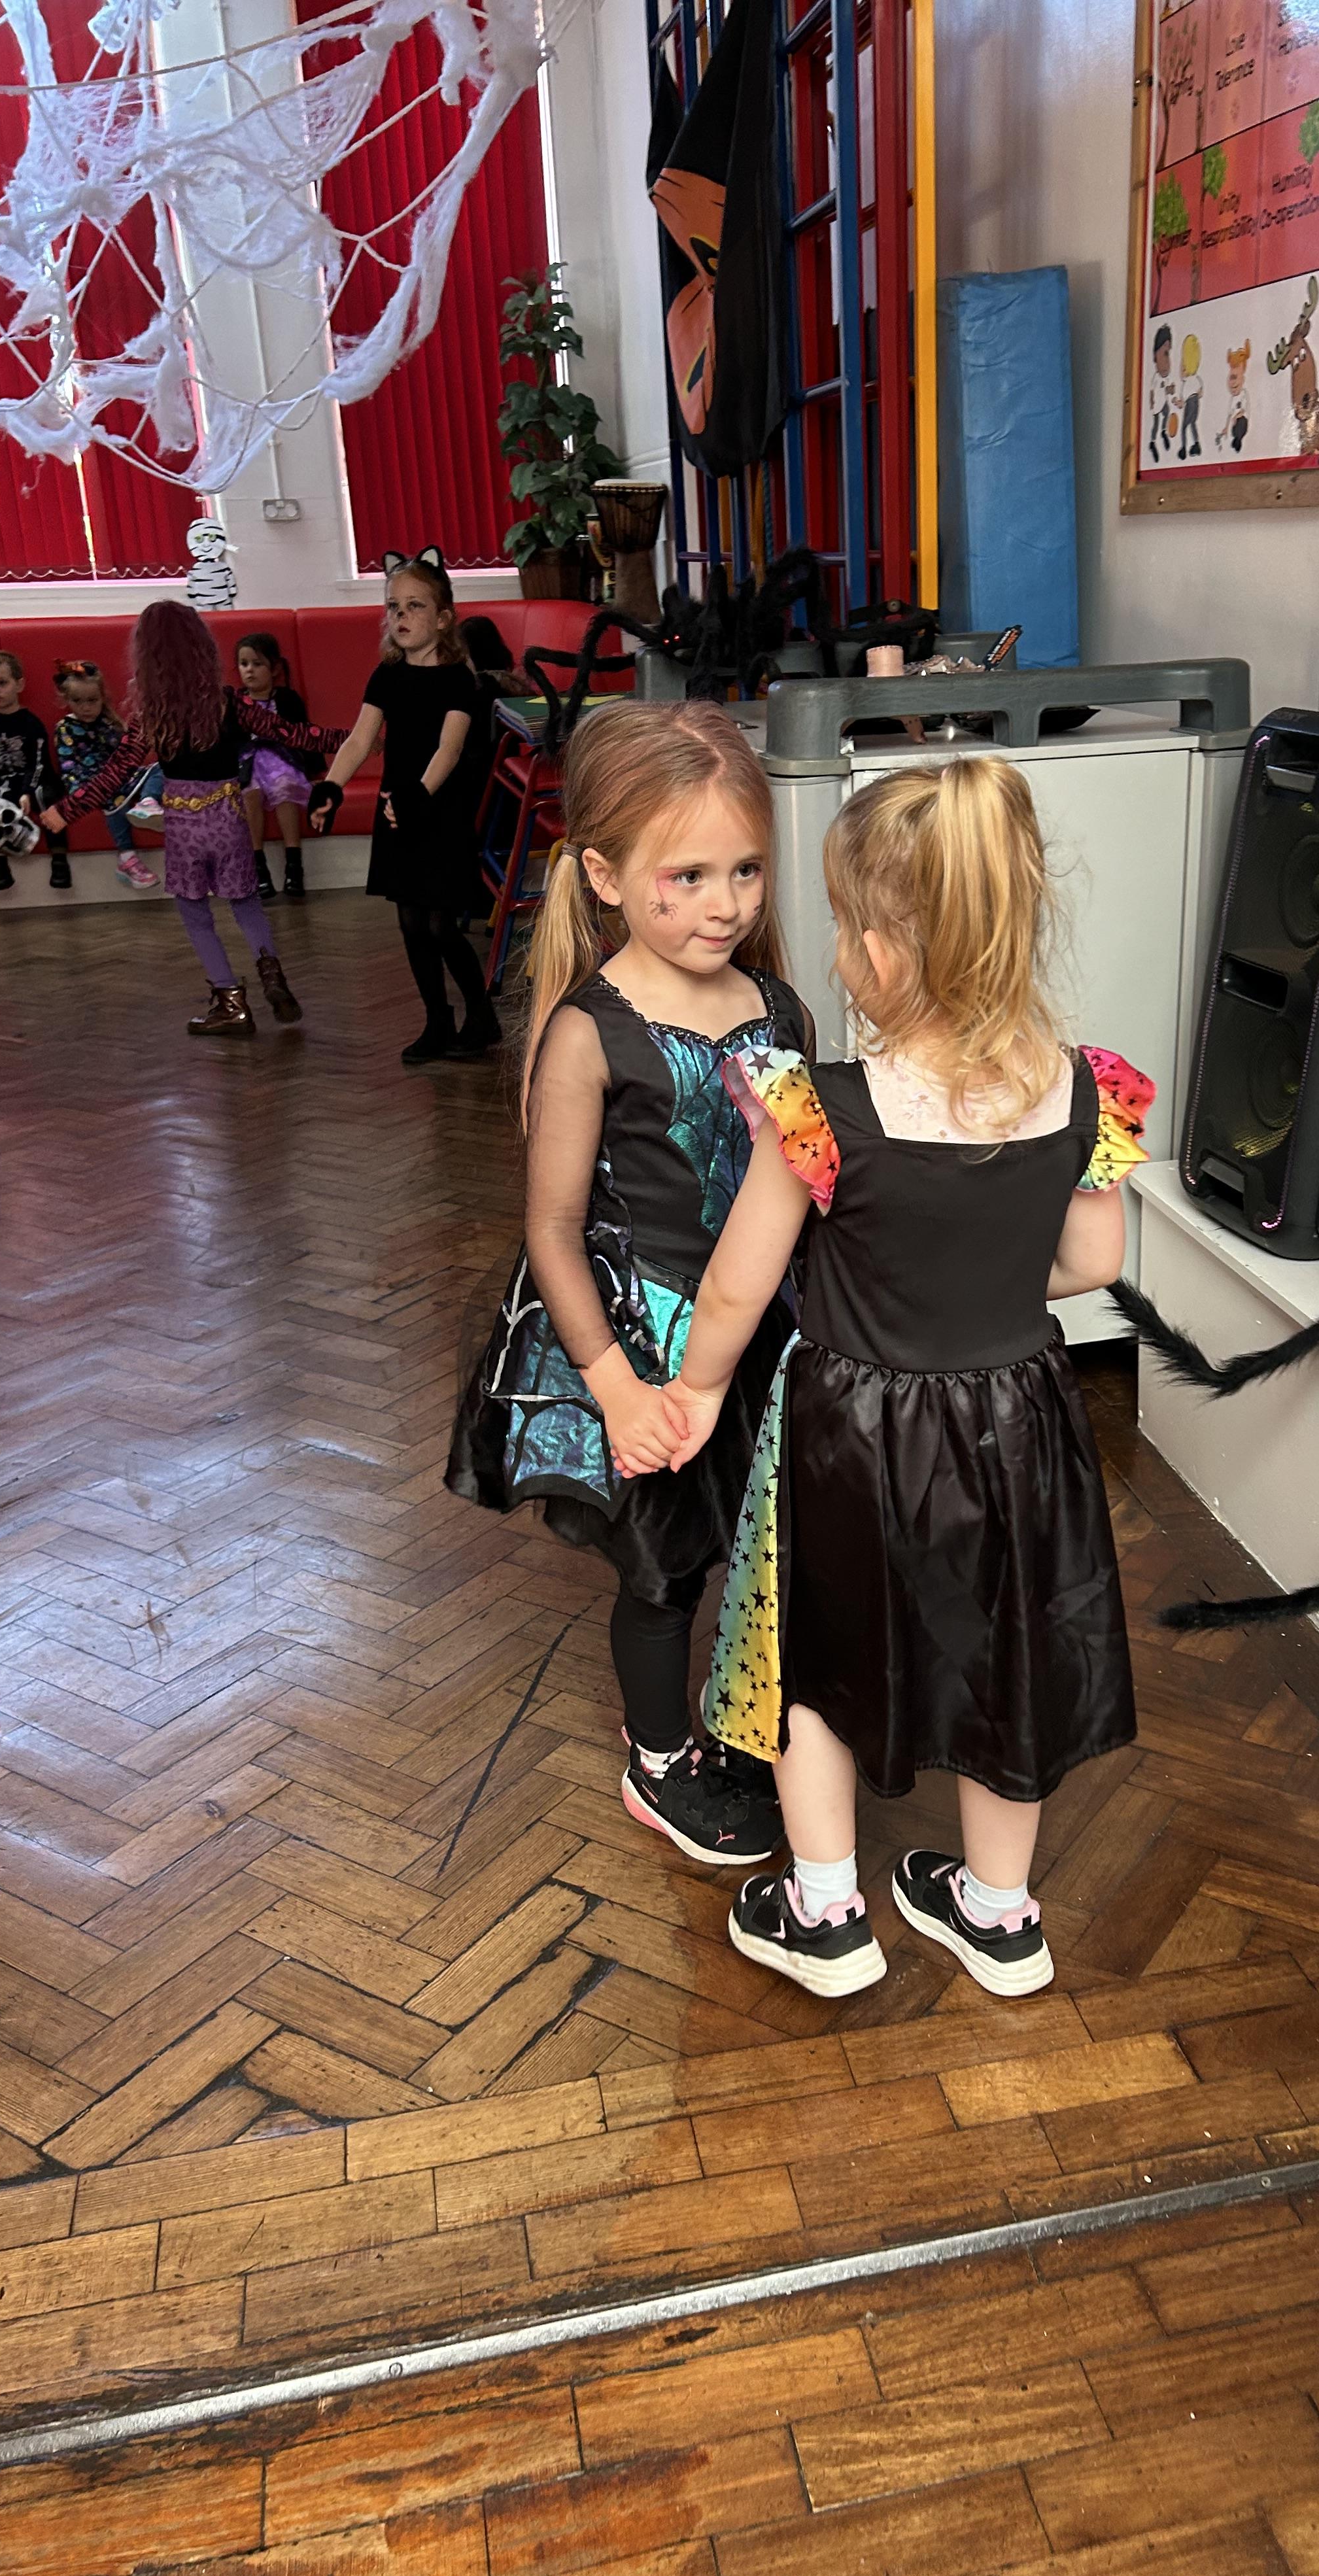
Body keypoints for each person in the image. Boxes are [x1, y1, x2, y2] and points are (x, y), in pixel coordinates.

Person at [657, 755, 1155, 1999]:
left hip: (853, 1436)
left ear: (881, 947)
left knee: (819, 1663)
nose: (837, 953)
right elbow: (1092, 1263)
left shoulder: (817, 1107)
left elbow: (737, 1287)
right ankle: (999, 1915)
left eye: (842, 927)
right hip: (1019, 1427)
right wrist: (981, 1290)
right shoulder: (1083, 1088)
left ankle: (826, 1910)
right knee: (1006, 1658)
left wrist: (698, 1391)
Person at [443, 702, 797, 1870]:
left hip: (762, 1337)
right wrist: (612, 1386)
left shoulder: (779, 1009)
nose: (724, 904)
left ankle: (747, 1725)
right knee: (665, 1568)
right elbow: (549, 1229)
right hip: (635, 1343)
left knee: (763, 1546)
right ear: (603, 875)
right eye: (686, 876)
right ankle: (658, 1759)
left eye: (744, 870)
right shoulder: (590, 1031)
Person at [42, 603, 343, 1037]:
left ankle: (230, 1003)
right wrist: (362, 738)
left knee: (196, 913)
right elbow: (296, 734)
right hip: (228, 816)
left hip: (184, 825)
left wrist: (65, 810)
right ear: (202, 648)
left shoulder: (151, 714)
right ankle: (272, 973)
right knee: (245, 903)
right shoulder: (228, 703)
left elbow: (114, 773)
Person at [307, 551, 499, 1066]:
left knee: (440, 926)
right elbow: (359, 740)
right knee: (411, 924)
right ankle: (437, 1021)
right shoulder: (387, 675)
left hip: (438, 811)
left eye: (415, 606)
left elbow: (449, 750)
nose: (402, 616)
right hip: (398, 810)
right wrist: (331, 787)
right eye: (394, 606)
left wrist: (418, 796)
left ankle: (481, 1014)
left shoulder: (459, 679)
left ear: (443, 618)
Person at [0, 651, 69, 894]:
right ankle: (0, 865)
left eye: (2, 683)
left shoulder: (31, 723)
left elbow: (39, 762)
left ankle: (59, 860)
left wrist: (28, 792)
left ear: (19, 685)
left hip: (40, 779)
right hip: (8, 781)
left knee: (48, 801)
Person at [50, 661, 160, 890]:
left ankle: (148, 802)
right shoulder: (65, 728)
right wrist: (83, 792)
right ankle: (127, 857)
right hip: (93, 785)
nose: (85, 708)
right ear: (67, 701)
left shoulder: (109, 724)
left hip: (122, 777)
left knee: (162, 767)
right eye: (77, 701)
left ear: (102, 698)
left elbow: (126, 756)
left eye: (92, 701)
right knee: (113, 797)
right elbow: (69, 766)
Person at [235, 631, 311, 901]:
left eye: (257, 664)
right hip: (247, 762)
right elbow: (229, 740)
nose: (250, 670)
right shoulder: (235, 703)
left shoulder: (288, 699)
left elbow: (303, 734)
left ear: (274, 668)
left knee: (285, 787)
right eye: (244, 664)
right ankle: (258, 868)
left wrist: (313, 769)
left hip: (282, 759)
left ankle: (294, 866)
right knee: (250, 793)